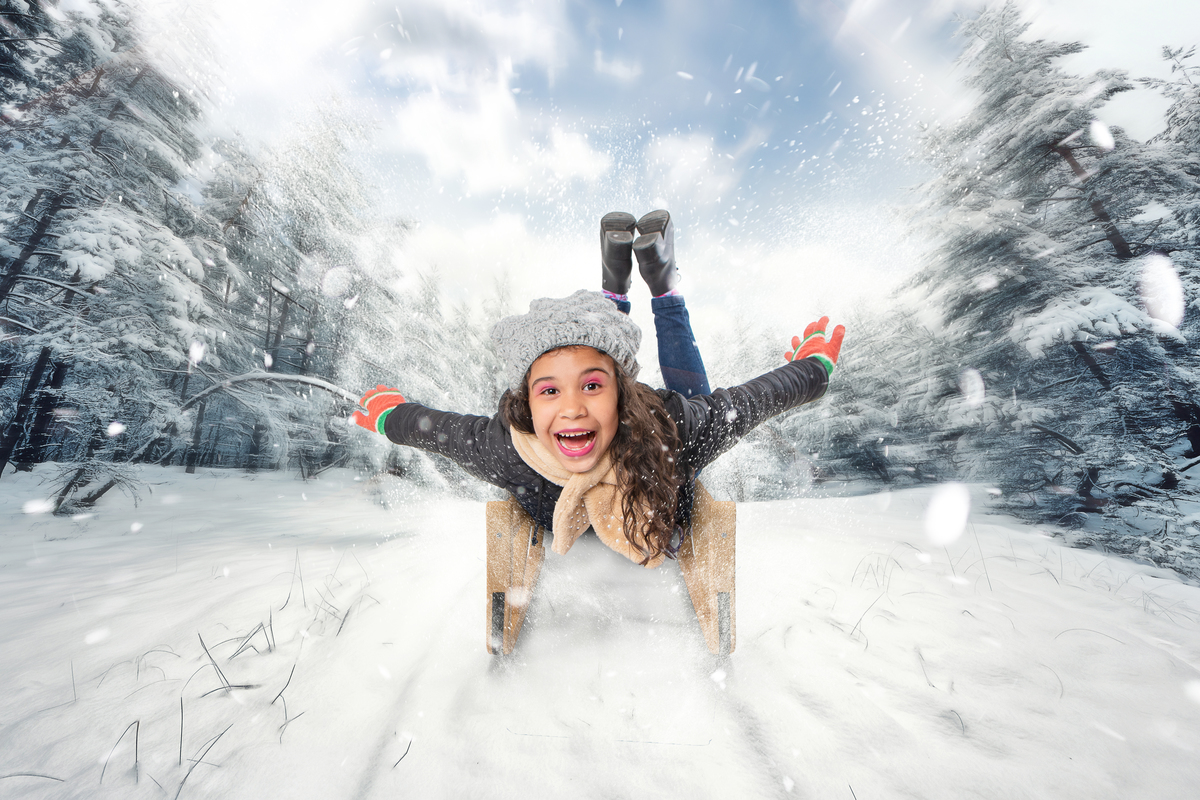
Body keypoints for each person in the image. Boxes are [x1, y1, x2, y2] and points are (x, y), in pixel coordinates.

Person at [351, 210, 844, 568]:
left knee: (696, 400)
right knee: (654, 381)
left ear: (623, 393)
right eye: (548, 392)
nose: (571, 409)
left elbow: (745, 404)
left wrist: (813, 372)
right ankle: (619, 289)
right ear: (526, 402)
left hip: (654, 446)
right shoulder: (510, 449)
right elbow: (442, 432)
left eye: (591, 387)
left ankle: (658, 289)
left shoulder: (667, 433)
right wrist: (394, 418)